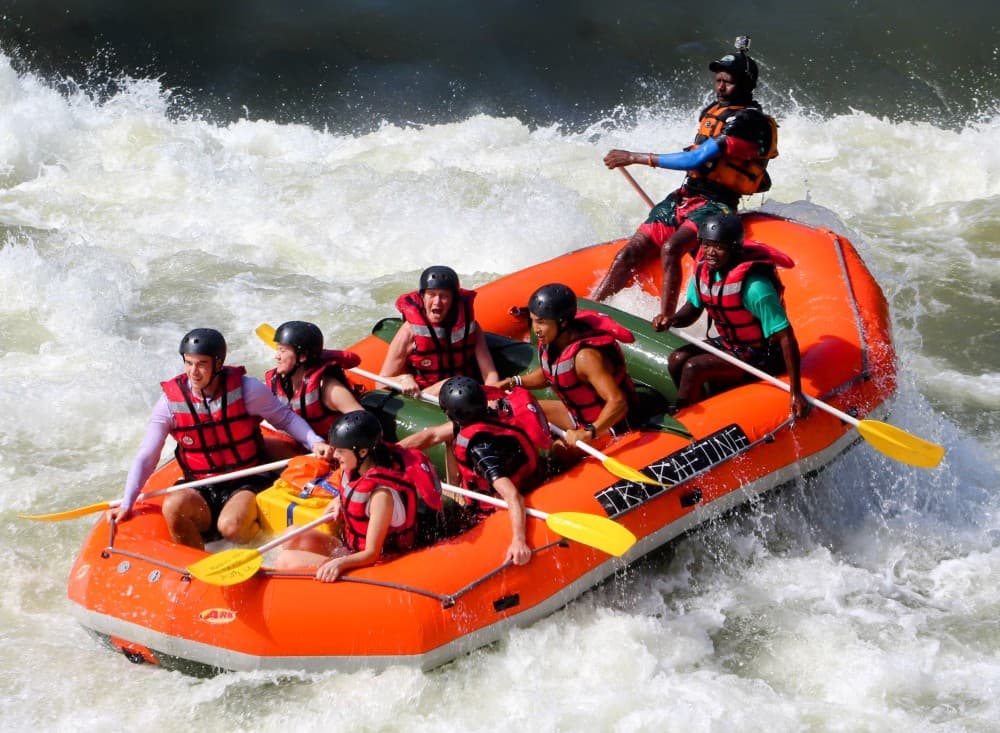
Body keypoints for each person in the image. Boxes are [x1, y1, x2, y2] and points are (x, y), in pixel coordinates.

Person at [592, 37, 778, 332]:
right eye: (717, 80)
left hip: (717, 204)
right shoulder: (713, 111)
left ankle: (666, 319)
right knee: (630, 253)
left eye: (727, 82)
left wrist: (634, 157)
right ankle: (593, 307)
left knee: (671, 249)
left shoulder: (747, 121)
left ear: (745, 85)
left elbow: (698, 159)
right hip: (685, 196)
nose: (719, 87)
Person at [111, 328, 331, 550]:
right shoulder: (169, 404)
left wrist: (315, 441)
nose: (193, 372)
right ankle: (197, 567)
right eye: (188, 363)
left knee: (230, 527)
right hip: (201, 483)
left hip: (247, 478)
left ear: (218, 364)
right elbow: (147, 455)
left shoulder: (248, 390)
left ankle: (261, 548)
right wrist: (128, 501)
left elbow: (284, 418)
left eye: (201, 364)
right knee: (174, 506)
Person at [660, 212, 809, 419]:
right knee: (677, 359)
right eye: (706, 245)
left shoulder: (755, 287)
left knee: (693, 367)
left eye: (719, 247)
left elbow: (786, 337)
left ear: (734, 248)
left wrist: (796, 392)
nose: (710, 253)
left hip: (762, 356)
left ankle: (687, 417)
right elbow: (692, 310)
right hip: (732, 345)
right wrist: (672, 319)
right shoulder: (704, 271)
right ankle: (699, 403)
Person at [275, 410, 443, 581]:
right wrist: (339, 500)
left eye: (341, 451)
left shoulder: (381, 495)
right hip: (351, 549)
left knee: (285, 561)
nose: (335, 456)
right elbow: (355, 491)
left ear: (362, 453)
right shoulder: (357, 471)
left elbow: (372, 553)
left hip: (378, 564)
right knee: (292, 534)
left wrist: (339, 563)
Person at [403, 376, 552, 566]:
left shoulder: (480, 451)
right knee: (449, 438)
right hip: (528, 479)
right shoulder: (494, 412)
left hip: (493, 509)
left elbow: (513, 496)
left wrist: (519, 540)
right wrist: (392, 451)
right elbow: (431, 435)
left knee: (426, 518)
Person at [498, 284, 639, 455]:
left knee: (561, 452)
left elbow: (618, 402)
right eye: (533, 320)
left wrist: (588, 432)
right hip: (579, 415)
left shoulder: (585, 357)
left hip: (611, 424)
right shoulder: (552, 341)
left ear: (563, 322)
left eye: (541, 322)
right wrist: (514, 382)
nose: (535, 329)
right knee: (524, 412)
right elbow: (550, 373)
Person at [380, 265, 499, 397]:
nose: (437, 302)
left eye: (444, 296)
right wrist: (403, 379)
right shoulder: (409, 331)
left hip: (464, 393)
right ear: (422, 297)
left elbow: (490, 374)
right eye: (431, 295)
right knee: (449, 383)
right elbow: (380, 383)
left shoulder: (472, 328)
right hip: (424, 397)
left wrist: (493, 398)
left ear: (453, 300)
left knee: (456, 385)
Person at [264, 320, 364, 437]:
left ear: (302, 356)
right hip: (299, 444)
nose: (276, 356)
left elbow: (364, 422)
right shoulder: (277, 382)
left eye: (283, 350)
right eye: (277, 349)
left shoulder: (329, 389)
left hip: (327, 448)